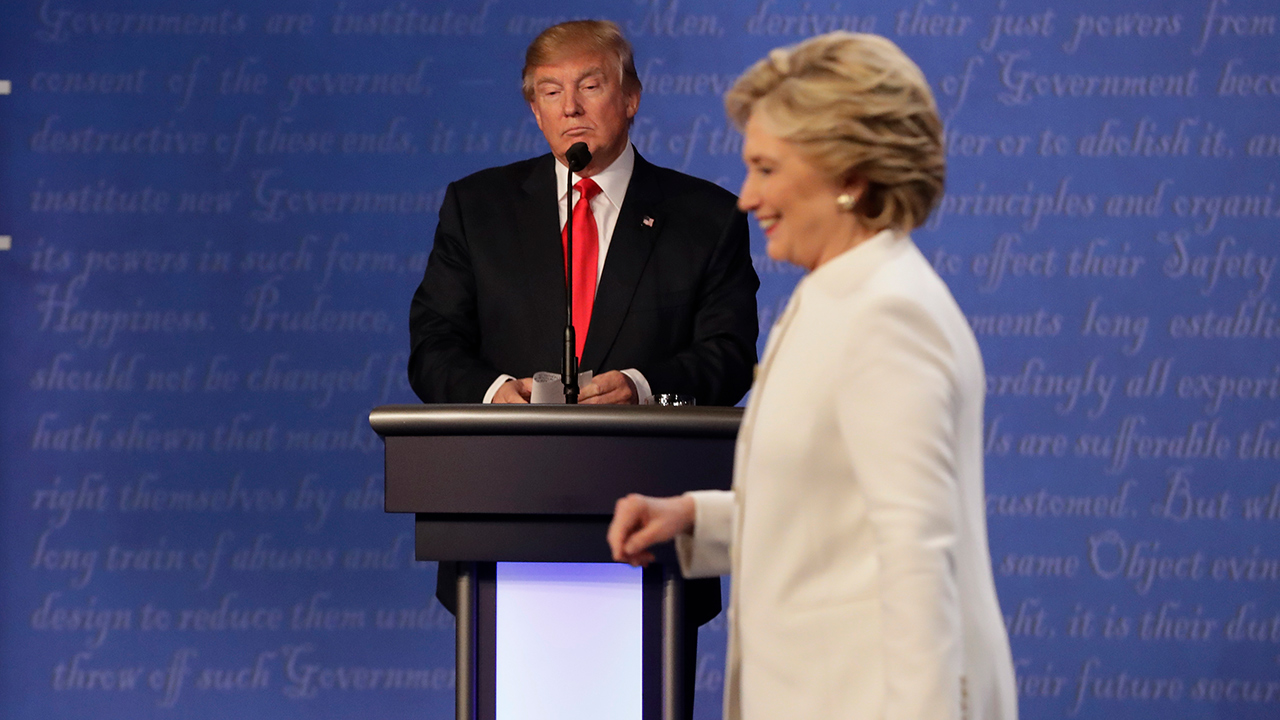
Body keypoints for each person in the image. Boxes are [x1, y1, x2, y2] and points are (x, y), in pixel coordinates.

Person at [607, 32, 1018, 720]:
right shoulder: (836, 297)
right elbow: (835, 514)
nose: (745, 198)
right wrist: (693, 519)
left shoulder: (886, 316)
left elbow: (917, 560)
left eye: (767, 169)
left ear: (849, 176)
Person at [407, 20, 759, 716]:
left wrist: (644, 388)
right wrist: (490, 392)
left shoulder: (705, 216)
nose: (570, 106)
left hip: (649, 532)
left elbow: (729, 354)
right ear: (534, 110)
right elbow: (433, 344)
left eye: (590, 85)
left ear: (630, 97)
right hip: (505, 517)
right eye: (550, 91)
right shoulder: (477, 208)